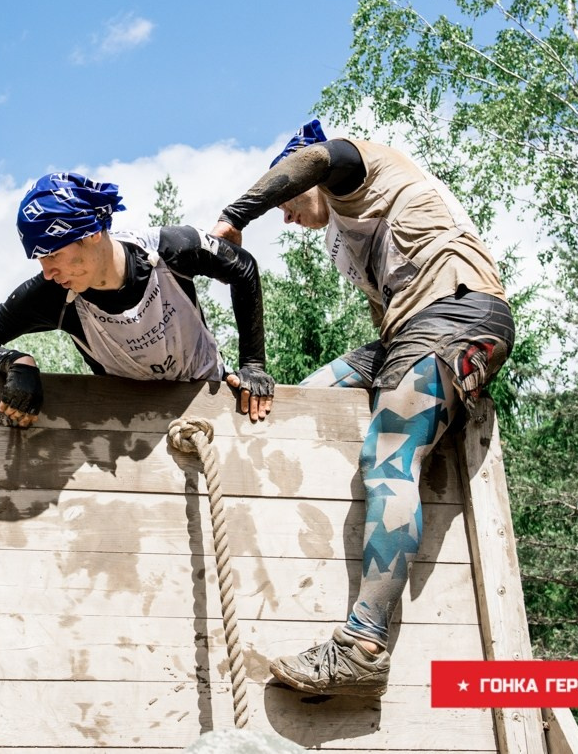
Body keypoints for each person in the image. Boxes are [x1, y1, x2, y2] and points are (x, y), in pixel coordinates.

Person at [211, 120, 515, 697]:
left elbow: (317, 162)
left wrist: (237, 215)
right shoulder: (349, 232)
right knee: (308, 397)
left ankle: (362, 646)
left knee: (390, 458)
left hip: (457, 316)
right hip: (412, 334)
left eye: (286, 200)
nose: (286, 215)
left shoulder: (359, 168)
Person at [0, 171, 275, 426]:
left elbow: (243, 267)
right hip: (128, 422)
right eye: (39, 260)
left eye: (52, 255)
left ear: (90, 234)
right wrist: (16, 363)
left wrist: (253, 365)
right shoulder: (53, 294)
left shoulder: (172, 248)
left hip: (207, 396)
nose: (48, 272)